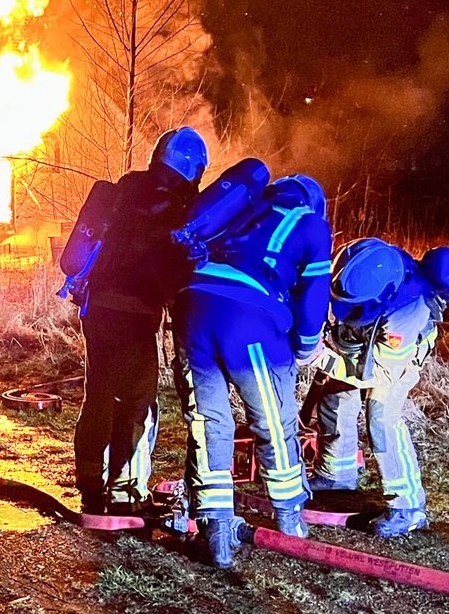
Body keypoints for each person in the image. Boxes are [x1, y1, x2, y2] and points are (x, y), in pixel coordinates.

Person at [171, 172, 333, 567]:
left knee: (208, 422)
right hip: (249, 322)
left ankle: (217, 536)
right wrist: (306, 348)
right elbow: (314, 297)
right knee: (273, 421)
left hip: (192, 309)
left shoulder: (238, 209)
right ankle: (291, 521)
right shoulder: (310, 223)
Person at [61, 127, 208, 516]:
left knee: (99, 395)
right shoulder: (176, 208)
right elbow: (171, 271)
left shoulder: (126, 189)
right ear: (194, 169)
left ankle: (90, 479)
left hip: (96, 310)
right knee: (137, 401)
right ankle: (126, 491)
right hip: (136, 314)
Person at [303, 239, 449, 538]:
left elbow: (378, 373)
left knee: (382, 417)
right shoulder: (368, 261)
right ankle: (337, 473)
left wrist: (322, 359)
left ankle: (408, 507)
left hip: (397, 360)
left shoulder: (409, 311)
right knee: (335, 396)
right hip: (363, 337)